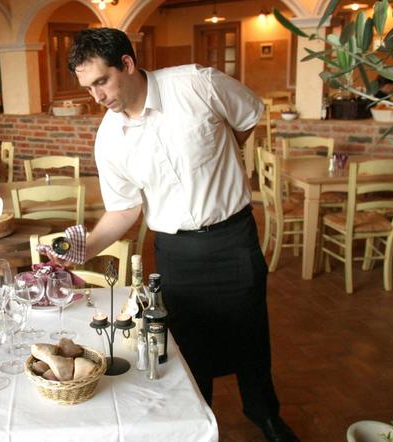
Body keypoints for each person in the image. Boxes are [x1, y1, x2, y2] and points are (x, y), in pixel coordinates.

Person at [64, 28, 299, 442]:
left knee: (251, 334)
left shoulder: (197, 84)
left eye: (101, 81)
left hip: (232, 237)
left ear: (127, 64)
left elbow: (247, 118)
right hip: (175, 252)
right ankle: (198, 425)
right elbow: (124, 210)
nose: (97, 96)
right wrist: (79, 250)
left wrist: (222, 156)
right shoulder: (109, 138)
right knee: (187, 350)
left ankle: (265, 416)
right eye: (88, 87)